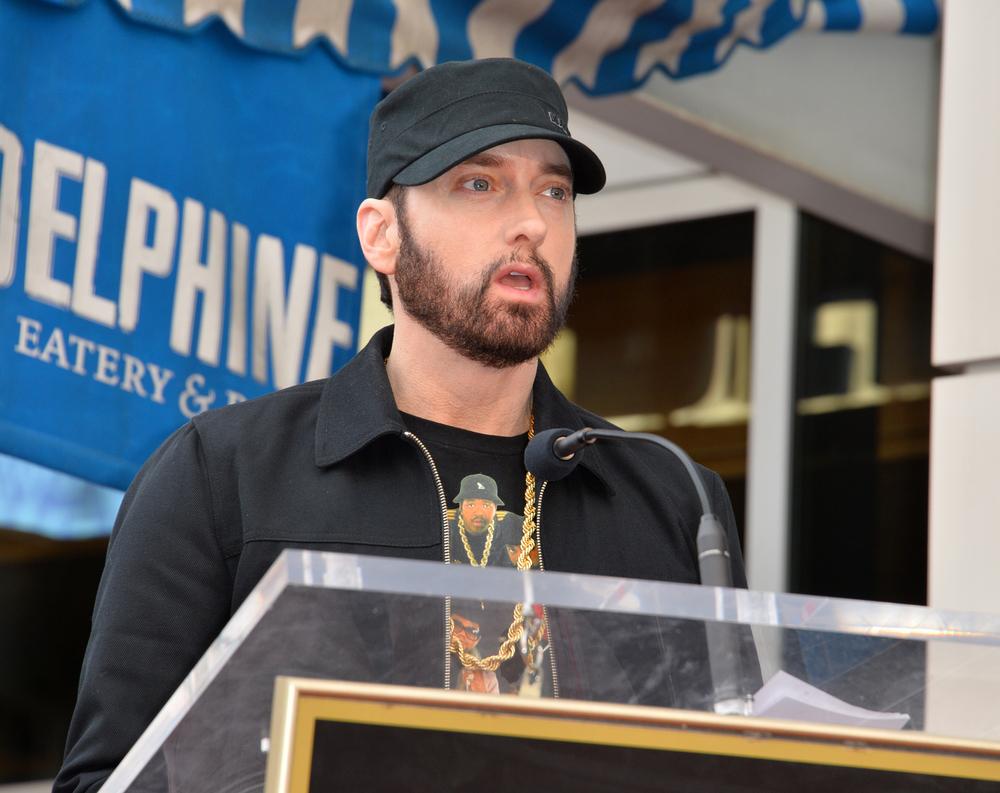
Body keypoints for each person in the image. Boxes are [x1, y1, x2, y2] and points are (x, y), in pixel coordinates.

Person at [55, 57, 747, 792]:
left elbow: (745, 767)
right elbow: (109, 779)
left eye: (555, 191)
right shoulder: (223, 473)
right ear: (381, 235)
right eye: (478, 184)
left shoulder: (669, 495)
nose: (530, 222)